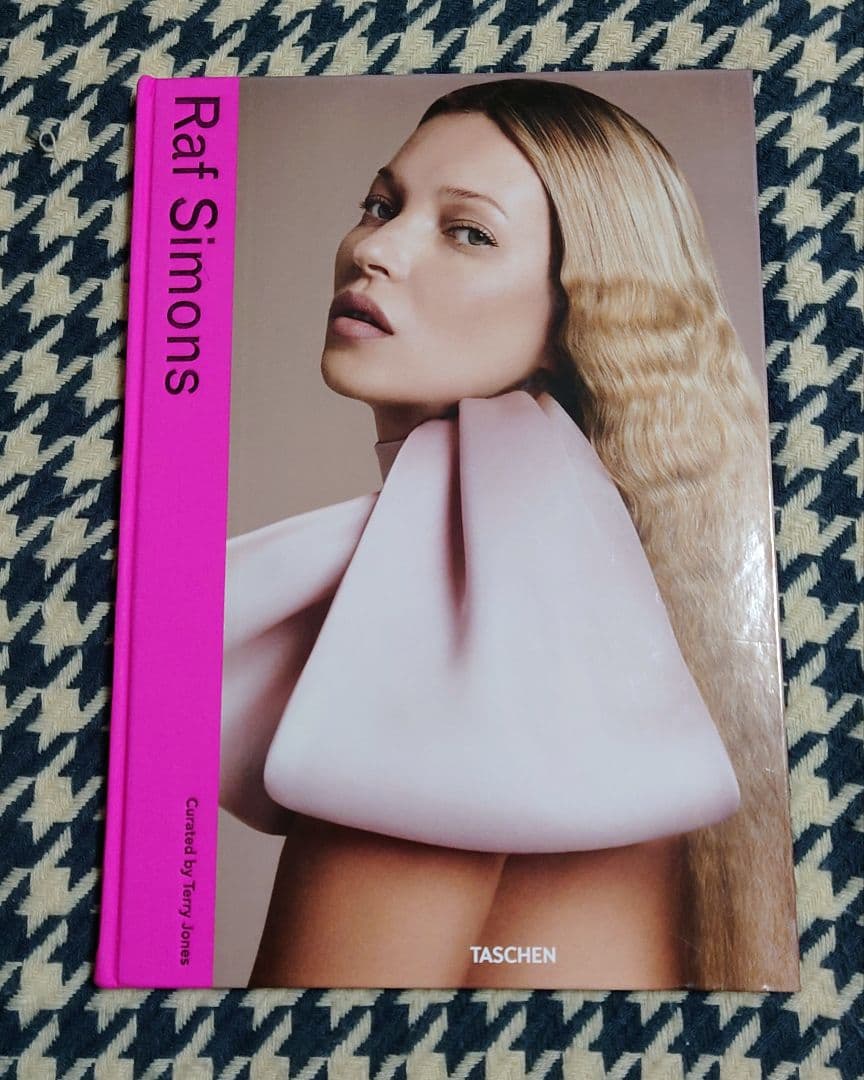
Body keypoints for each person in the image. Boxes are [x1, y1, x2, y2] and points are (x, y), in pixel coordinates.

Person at [221, 78, 798, 990]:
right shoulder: (576, 556)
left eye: (468, 232)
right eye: (381, 205)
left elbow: (314, 1041)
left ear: (579, 312)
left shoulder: (471, 602)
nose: (373, 249)